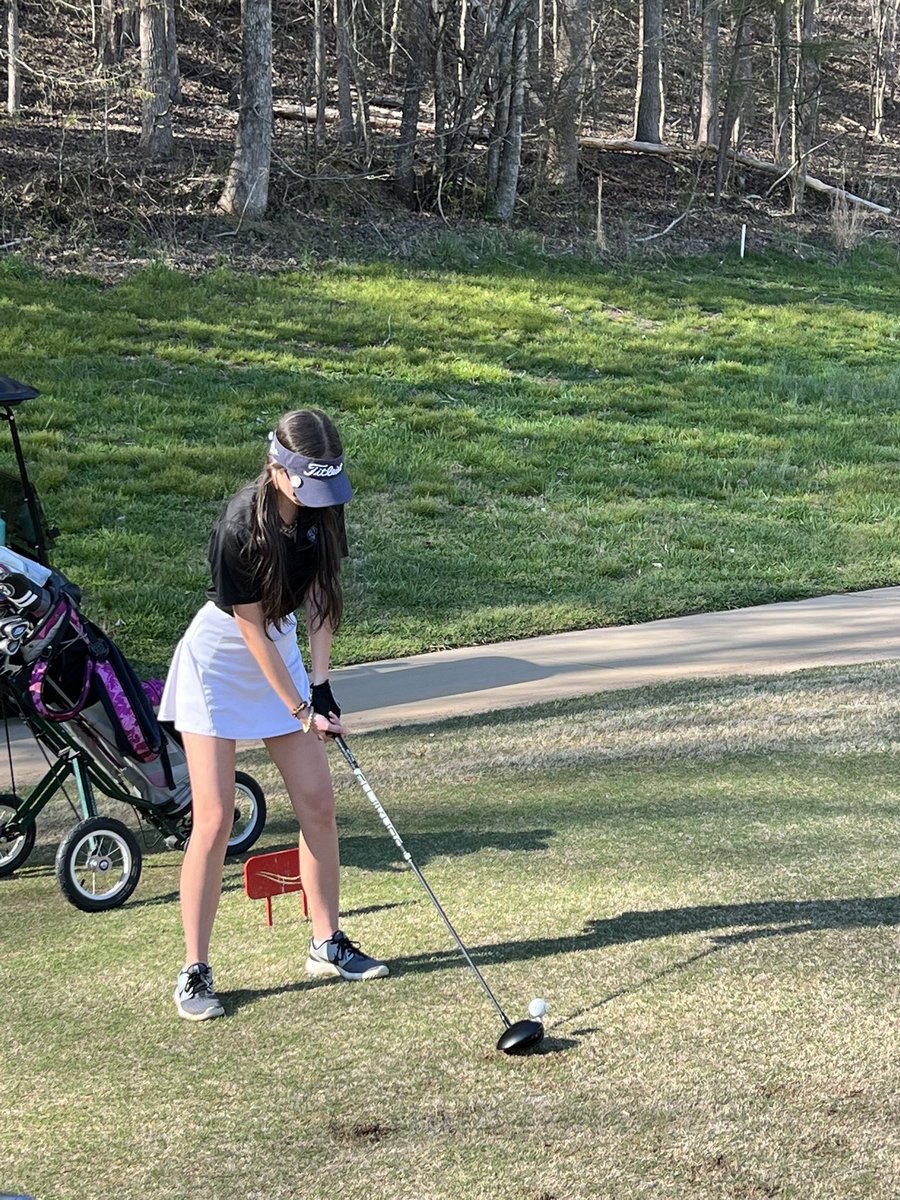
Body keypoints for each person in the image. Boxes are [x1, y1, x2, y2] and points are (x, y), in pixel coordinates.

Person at [159, 408, 388, 1021]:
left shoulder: (322, 509)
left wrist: (321, 685)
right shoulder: (239, 527)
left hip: (280, 650)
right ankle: (195, 970)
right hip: (220, 663)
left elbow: (319, 596)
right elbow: (250, 630)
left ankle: (326, 943)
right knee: (213, 818)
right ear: (277, 468)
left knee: (318, 803)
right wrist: (299, 707)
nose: (318, 499)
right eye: (307, 484)